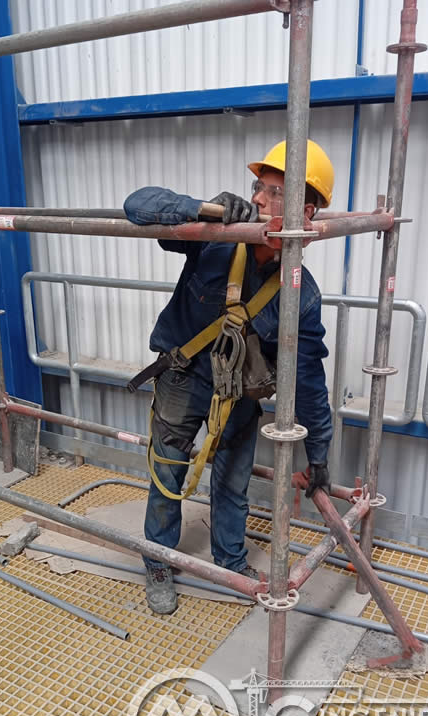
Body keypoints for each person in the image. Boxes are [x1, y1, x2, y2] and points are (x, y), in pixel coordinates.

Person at [124, 139, 334, 615]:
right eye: (258, 188)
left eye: (274, 193)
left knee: (233, 482)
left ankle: (230, 561)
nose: (258, 199)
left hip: (239, 389)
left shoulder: (300, 294)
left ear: (305, 211)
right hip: (184, 377)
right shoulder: (217, 237)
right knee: (168, 470)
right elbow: (137, 206)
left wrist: (318, 454)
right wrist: (204, 209)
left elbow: (309, 382)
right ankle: (158, 559)